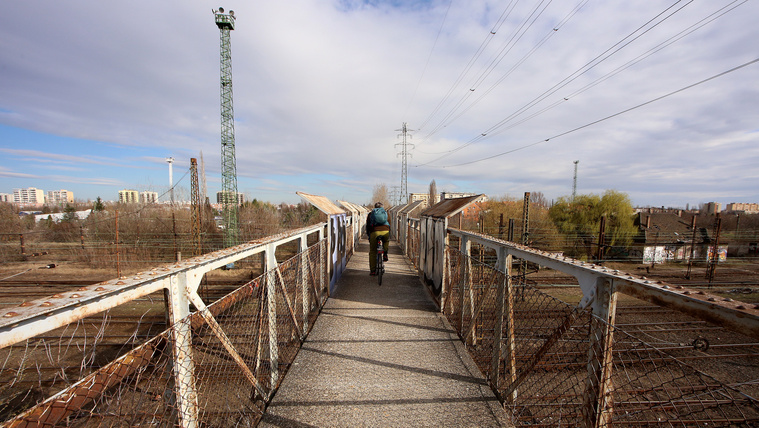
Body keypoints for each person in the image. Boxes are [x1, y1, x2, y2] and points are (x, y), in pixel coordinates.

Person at [366, 202, 390, 275]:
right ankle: (385, 254)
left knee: (373, 252)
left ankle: (373, 271)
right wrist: (389, 234)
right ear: (382, 207)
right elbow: (390, 224)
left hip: (374, 232)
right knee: (386, 241)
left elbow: (368, 226)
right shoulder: (386, 213)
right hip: (385, 230)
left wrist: (369, 236)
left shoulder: (371, 214)